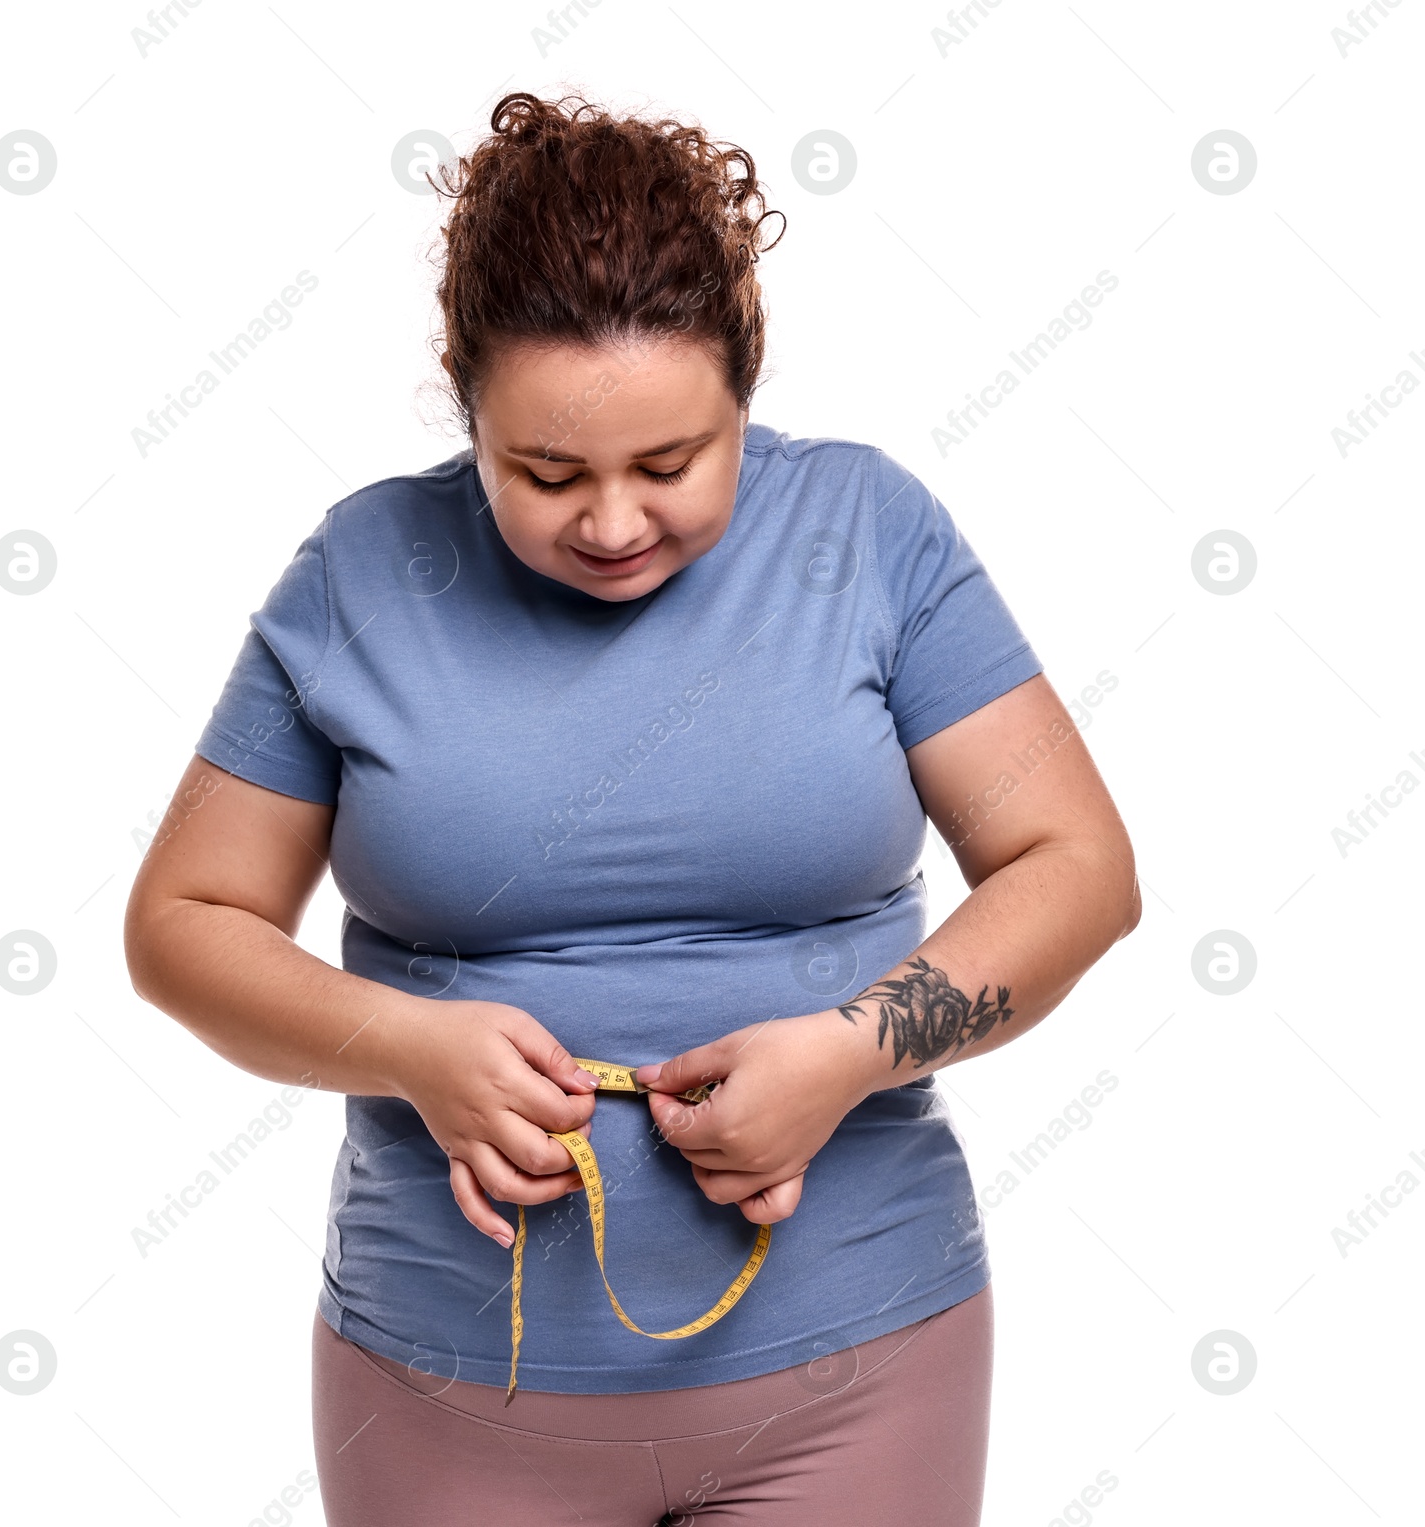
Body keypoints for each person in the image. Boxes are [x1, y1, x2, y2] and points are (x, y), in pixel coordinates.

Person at [123, 91, 1140, 1526]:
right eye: (544, 473)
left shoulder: (868, 535)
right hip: (447, 1398)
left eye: (671, 465)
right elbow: (182, 922)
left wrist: (853, 1055)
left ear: (747, 392)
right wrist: (409, 1047)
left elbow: (1078, 864)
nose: (611, 525)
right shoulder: (364, 572)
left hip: (862, 1376)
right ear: (466, 410)